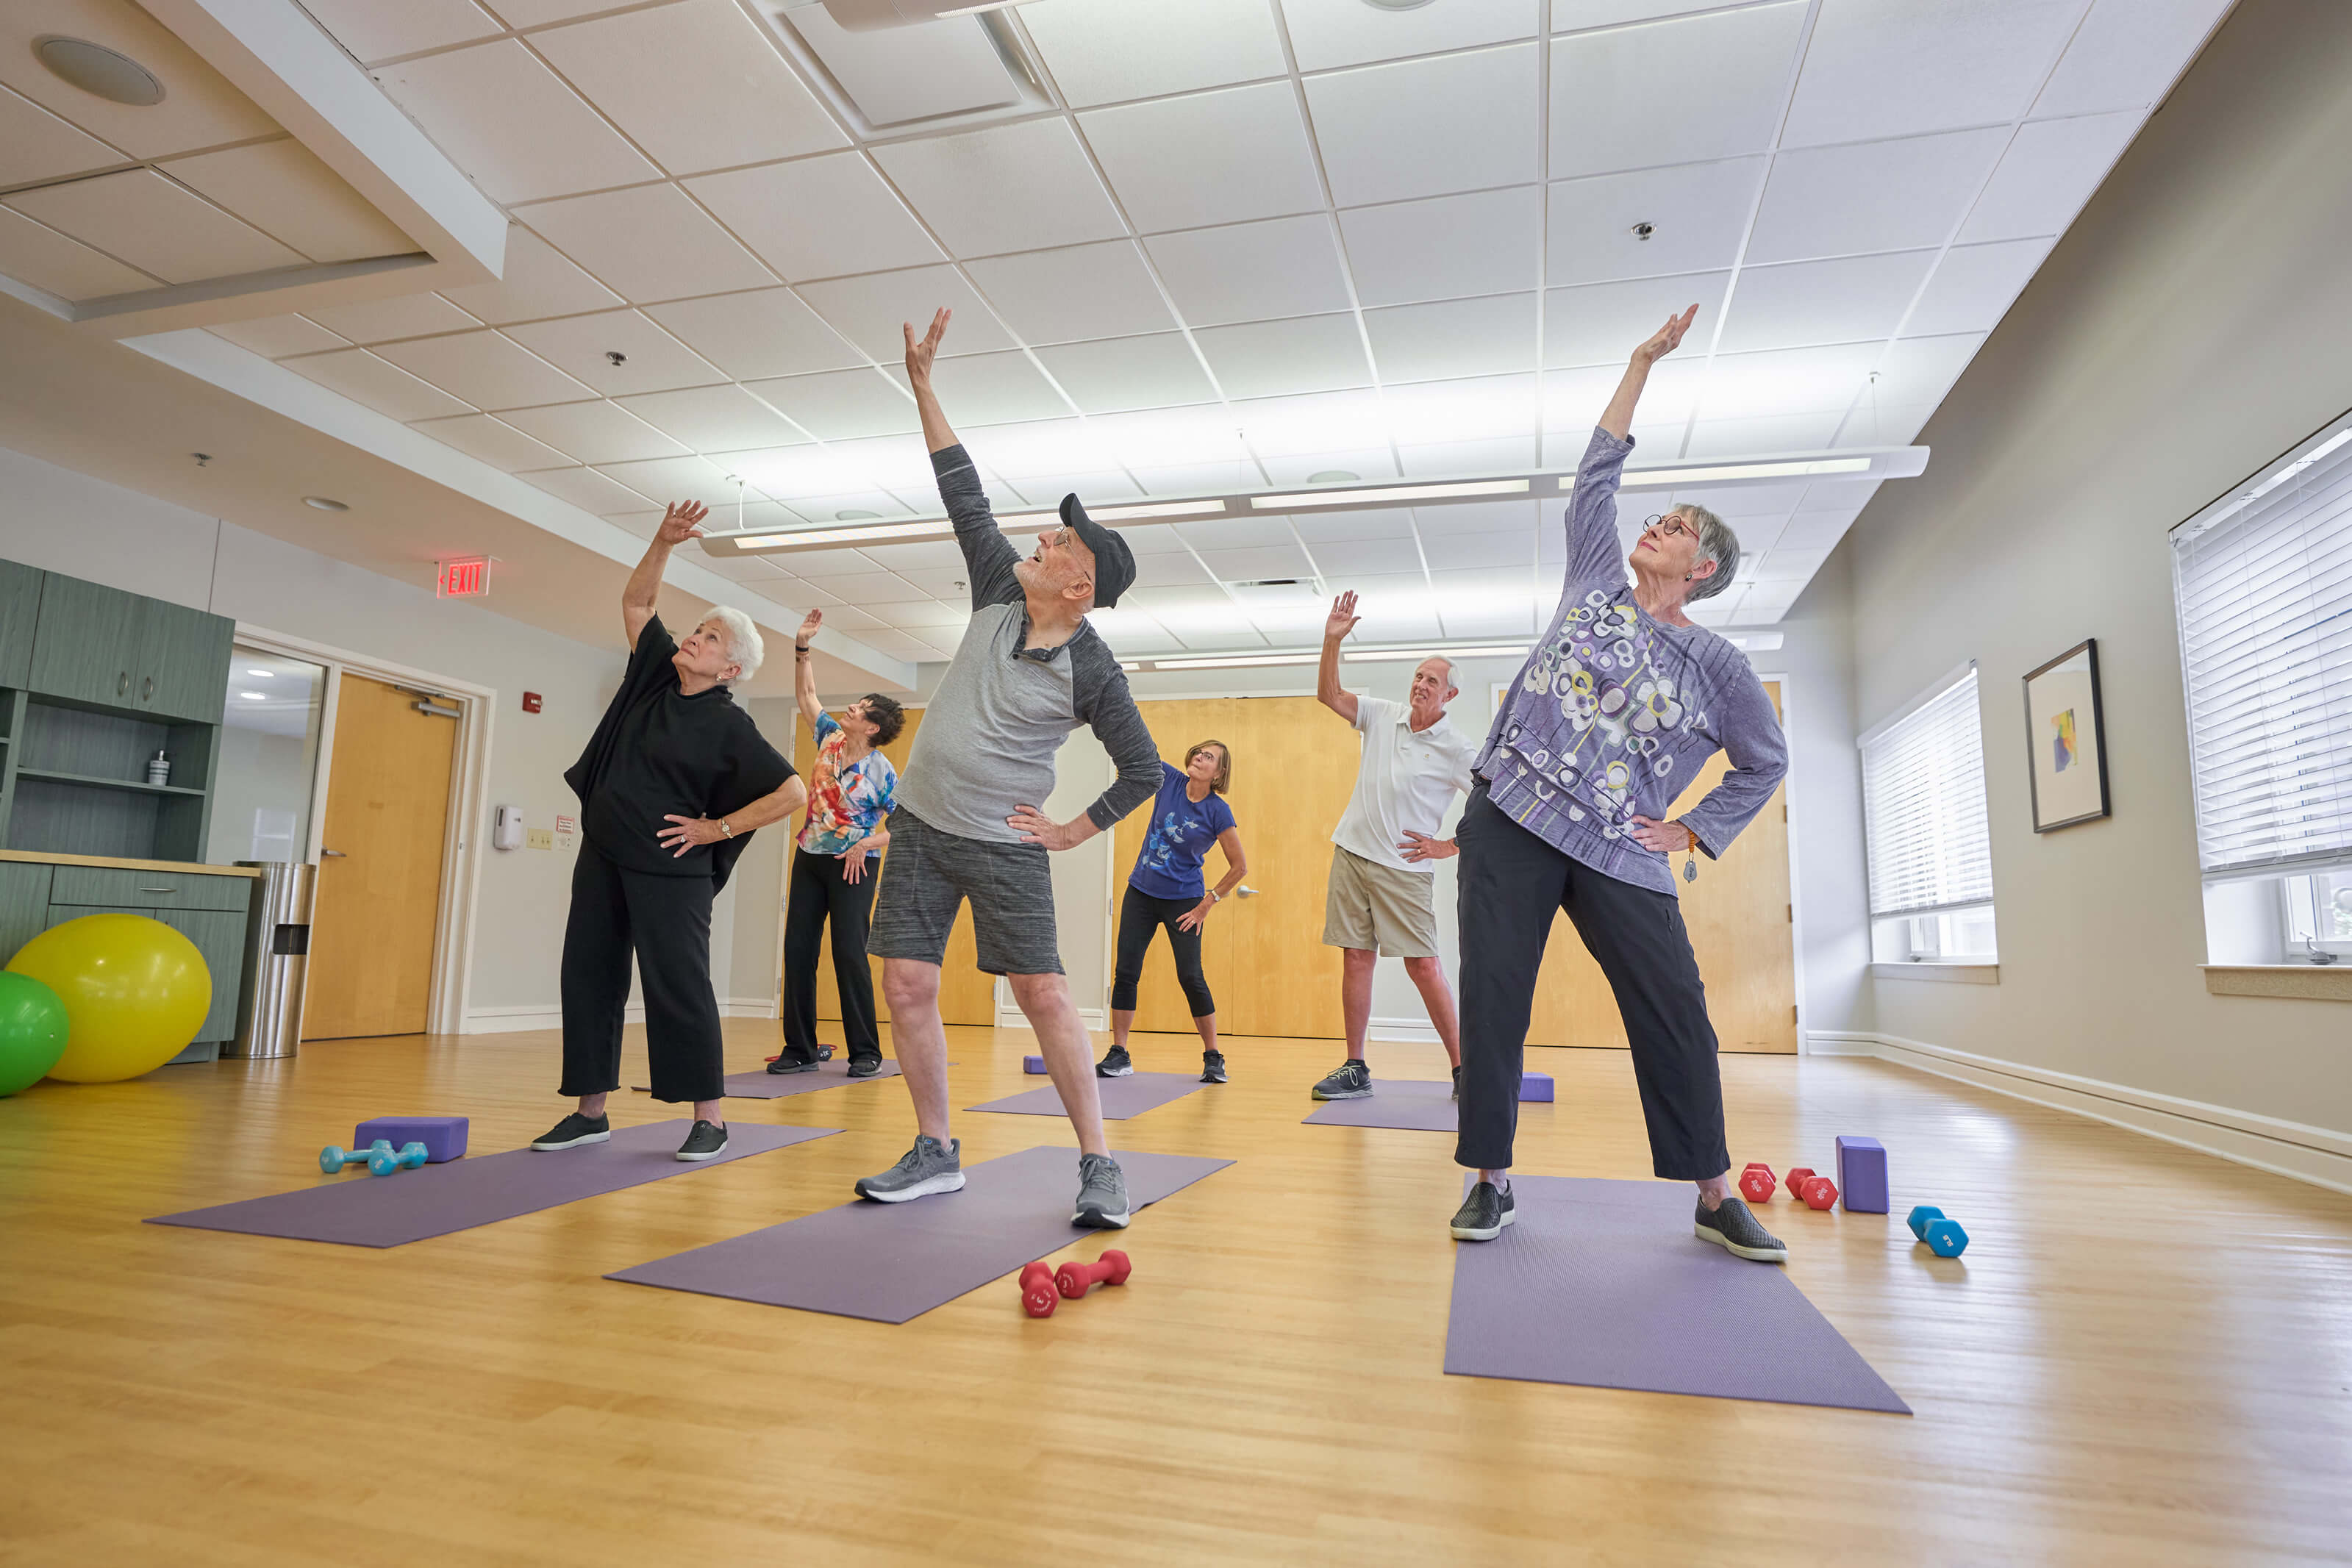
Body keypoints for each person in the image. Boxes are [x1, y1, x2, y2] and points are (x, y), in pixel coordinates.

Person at [1448, 305, 1792, 1261]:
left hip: (1618, 844)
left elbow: (1765, 760)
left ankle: (1711, 1193)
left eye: (1673, 527)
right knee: (1495, 994)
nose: (1654, 526)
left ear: (1703, 565)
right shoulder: (1595, 579)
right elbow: (1595, 474)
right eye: (1657, 517)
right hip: (1511, 812)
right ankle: (1489, 1179)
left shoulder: (1716, 666)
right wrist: (1640, 362)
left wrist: (1688, 831)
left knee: (1673, 1009)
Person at [857, 307, 1160, 1228]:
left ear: (1080, 586)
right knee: (905, 984)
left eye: (1062, 545)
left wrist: (1071, 830)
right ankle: (937, 1149)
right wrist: (922, 383)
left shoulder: (1094, 667)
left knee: (1044, 993)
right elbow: (962, 491)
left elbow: (1141, 769)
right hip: (919, 828)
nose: (1044, 539)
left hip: (1002, 844)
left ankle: (1099, 1162)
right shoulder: (998, 586)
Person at [535, 501, 804, 1162]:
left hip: (670, 867)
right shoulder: (655, 676)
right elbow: (636, 603)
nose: (695, 637)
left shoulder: (729, 725)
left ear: (730, 669)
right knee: (589, 975)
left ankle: (708, 1118)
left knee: (678, 986)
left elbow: (792, 791)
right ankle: (589, 1112)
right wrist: (663, 541)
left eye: (712, 638)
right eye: (700, 628)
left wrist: (719, 827)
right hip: (603, 854)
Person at [1307, 598, 1476, 1103]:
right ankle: (1355, 1065)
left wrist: (1448, 845)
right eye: (1418, 676)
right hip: (1352, 854)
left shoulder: (1457, 748)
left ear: (1450, 693)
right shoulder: (1382, 716)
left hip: (1404, 869)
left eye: (1431, 680)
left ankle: (1463, 1069)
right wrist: (1332, 639)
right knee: (1355, 957)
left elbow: (1494, 806)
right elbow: (1328, 694)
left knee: (1423, 965)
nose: (1420, 684)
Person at [768, 607, 906, 1079]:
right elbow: (806, 693)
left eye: (862, 708)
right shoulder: (828, 738)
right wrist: (802, 647)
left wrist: (865, 844)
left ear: (872, 727)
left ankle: (865, 1052)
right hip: (810, 859)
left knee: (849, 954)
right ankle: (800, 1048)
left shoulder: (883, 771)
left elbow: (905, 825)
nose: (853, 707)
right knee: (798, 951)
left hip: (854, 867)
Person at [1095, 740, 1248, 1085]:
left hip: (1184, 902)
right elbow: (1137, 752)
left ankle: (1213, 1056)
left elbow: (1239, 867)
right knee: (1126, 972)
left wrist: (1207, 904)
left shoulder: (1217, 811)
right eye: (1197, 752)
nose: (1199, 758)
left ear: (1219, 772)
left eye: (1208, 757)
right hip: (1141, 892)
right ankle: (1119, 1053)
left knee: (1190, 976)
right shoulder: (1169, 780)